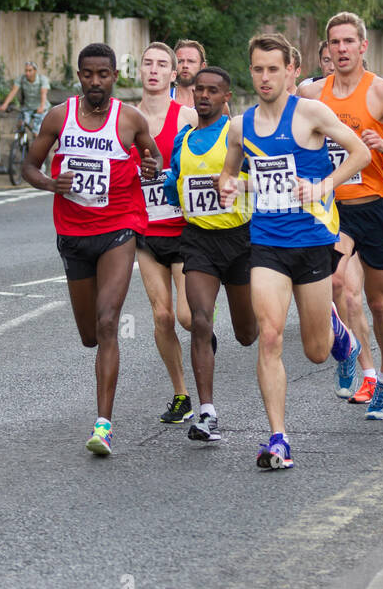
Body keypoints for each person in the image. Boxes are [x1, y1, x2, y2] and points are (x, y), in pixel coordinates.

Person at [216, 34, 370, 469]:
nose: (265, 77)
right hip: (266, 242)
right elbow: (231, 177)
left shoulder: (310, 114)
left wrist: (324, 185)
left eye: (273, 69)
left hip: (313, 244)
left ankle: (341, 335)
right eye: (258, 69)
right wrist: (231, 187)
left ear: (291, 71)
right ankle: (278, 437)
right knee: (269, 335)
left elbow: (359, 153)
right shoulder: (241, 127)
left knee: (316, 351)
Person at [22, 43, 161, 457]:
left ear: (115, 76)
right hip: (73, 233)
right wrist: (51, 183)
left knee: (107, 323)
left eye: (103, 74)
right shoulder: (59, 117)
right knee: (88, 335)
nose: (95, 82)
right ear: (79, 75)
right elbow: (29, 166)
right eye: (88, 74)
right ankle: (102, 386)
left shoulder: (130, 120)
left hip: (119, 229)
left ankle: (104, 425)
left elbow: (154, 161)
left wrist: (151, 167)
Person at [299, 12, 383, 419]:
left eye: (348, 42)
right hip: (330, 207)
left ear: (362, 47)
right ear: (327, 49)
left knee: (379, 304)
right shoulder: (311, 94)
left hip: (373, 205)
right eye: (334, 43)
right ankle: (346, 346)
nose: (341, 49)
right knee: (332, 283)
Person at [163, 66, 256, 443]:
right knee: (200, 321)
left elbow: (261, 178)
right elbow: (174, 187)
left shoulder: (238, 135)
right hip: (197, 239)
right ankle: (206, 412)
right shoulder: (182, 139)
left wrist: (237, 185)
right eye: (198, 90)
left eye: (212, 91)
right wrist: (171, 184)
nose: (203, 96)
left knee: (246, 334)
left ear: (226, 98)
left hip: (240, 240)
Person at [135, 42, 198, 424]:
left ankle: (204, 330)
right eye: (148, 64)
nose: (154, 70)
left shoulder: (188, 116)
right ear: (139, 71)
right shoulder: (126, 120)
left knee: (189, 317)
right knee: (162, 316)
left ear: (174, 74)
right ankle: (181, 394)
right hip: (145, 231)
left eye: (162, 65)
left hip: (183, 230)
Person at [0, 61, 51, 132]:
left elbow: (43, 93)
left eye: (30, 70)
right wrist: (5, 104)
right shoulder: (21, 79)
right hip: (27, 107)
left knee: (37, 132)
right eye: (26, 70)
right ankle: (20, 141)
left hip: (40, 109)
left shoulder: (42, 79)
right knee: (20, 126)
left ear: (35, 71)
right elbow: (13, 91)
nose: (27, 73)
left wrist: (42, 107)